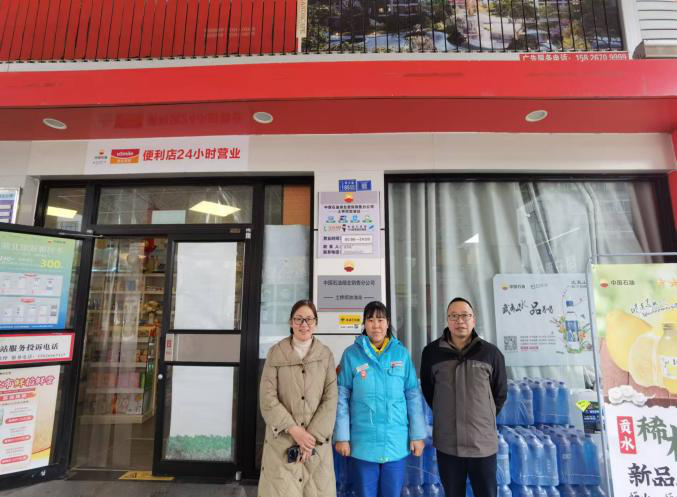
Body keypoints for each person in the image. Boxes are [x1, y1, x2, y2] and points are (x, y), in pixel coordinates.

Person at [334, 301, 427, 497]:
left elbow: (412, 395)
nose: (376, 325)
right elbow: (341, 398)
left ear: (388, 323)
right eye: (370, 320)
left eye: (380, 319)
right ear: (364, 324)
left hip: (395, 440)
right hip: (363, 443)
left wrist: (417, 435)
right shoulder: (351, 355)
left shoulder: (401, 354)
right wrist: (342, 437)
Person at [420, 297, 507, 497]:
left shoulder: (491, 353)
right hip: (448, 444)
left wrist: (483, 417)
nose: (460, 320)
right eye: (454, 316)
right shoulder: (432, 353)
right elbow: (429, 391)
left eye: (465, 315)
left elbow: (500, 393)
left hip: (482, 444)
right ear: (447, 320)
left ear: (473, 319)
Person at [259, 299, 338, 497]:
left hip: (316, 446)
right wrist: (294, 430)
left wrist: (309, 440)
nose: (304, 324)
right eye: (299, 319)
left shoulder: (325, 355)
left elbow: (330, 399)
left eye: (309, 319)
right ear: (291, 322)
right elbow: (267, 398)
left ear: (315, 323)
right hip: (282, 443)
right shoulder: (276, 353)